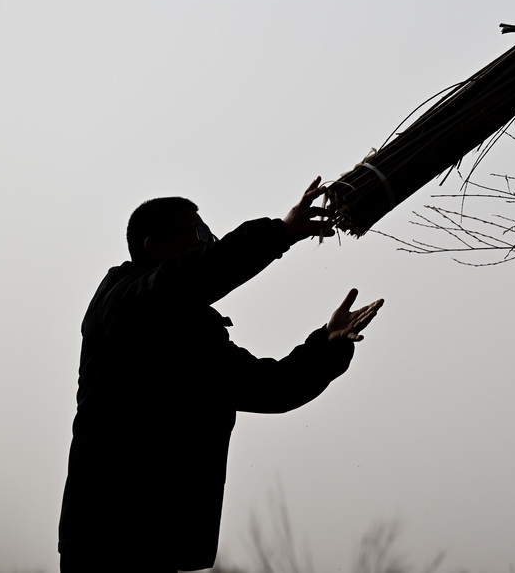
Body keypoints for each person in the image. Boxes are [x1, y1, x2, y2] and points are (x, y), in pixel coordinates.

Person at [58, 177, 383, 572]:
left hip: (159, 545)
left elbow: (271, 388)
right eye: (197, 232)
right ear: (153, 246)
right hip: (105, 538)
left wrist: (327, 346)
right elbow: (203, 271)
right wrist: (281, 232)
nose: (207, 241)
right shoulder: (123, 304)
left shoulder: (191, 334)